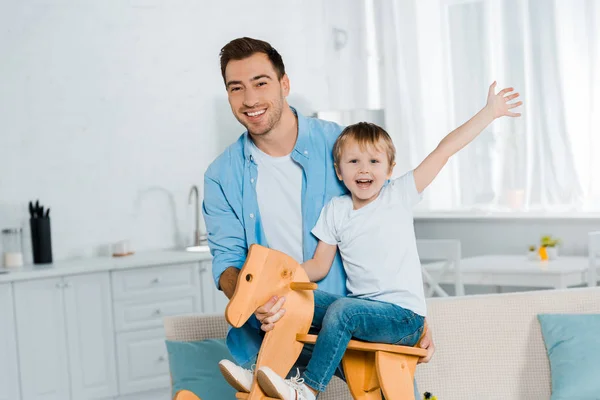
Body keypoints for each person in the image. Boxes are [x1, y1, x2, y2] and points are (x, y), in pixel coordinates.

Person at [255, 75, 522, 398]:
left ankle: (308, 389)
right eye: (353, 161)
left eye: (373, 161)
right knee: (300, 299)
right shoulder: (336, 210)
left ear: (390, 168)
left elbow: (444, 150)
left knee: (344, 311)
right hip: (364, 313)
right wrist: (280, 282)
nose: (363, 169)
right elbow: (318, 265)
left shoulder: (399, 195)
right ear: (340, 171)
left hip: (403, 319)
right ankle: (260, 373)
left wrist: (489, 112)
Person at [203, 37, 434, 398]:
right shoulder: (221, 175)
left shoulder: (341, 146)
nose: (249, 99)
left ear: (285, 84)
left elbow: (387, 224)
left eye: (261, 82)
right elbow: (228, 263)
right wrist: (253, 302)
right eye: (237, 88)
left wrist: (407, 317)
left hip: (353, 320)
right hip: (273, 326)